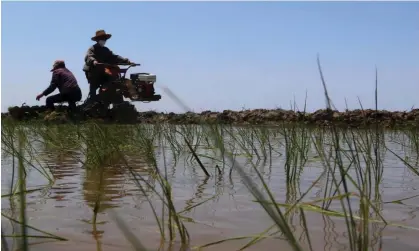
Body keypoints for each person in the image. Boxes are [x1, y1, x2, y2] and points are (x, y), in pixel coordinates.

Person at [83, 29, 134, 100]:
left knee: (114, 80)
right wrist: (94, 61)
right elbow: (89, 56)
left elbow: (114, 57)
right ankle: (92, 100)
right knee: (94, 85)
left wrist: (126, 61)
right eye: (102, 39)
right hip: (92, 71)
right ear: (97, 40)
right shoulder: (92, 48)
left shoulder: (105, 50)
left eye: (104, 39)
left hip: (102, 70)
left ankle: (109, 96)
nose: (103, 40)